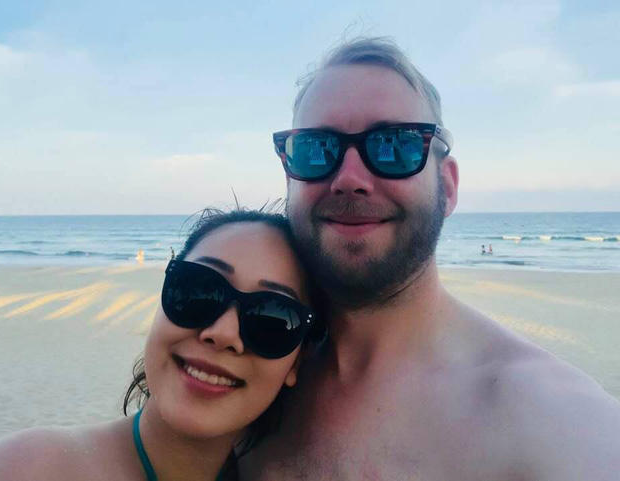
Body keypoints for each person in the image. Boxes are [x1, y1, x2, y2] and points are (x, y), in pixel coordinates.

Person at [240, 37, 620, 480]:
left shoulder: (550, 420)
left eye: (394, 145)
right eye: (315, 149)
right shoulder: (252, 376)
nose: (349, 178)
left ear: (449, 187)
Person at [0, 209, 324, 481]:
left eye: (273, 318)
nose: (222, 333)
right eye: (198, 290)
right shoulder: (23, 469)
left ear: (296, 362)